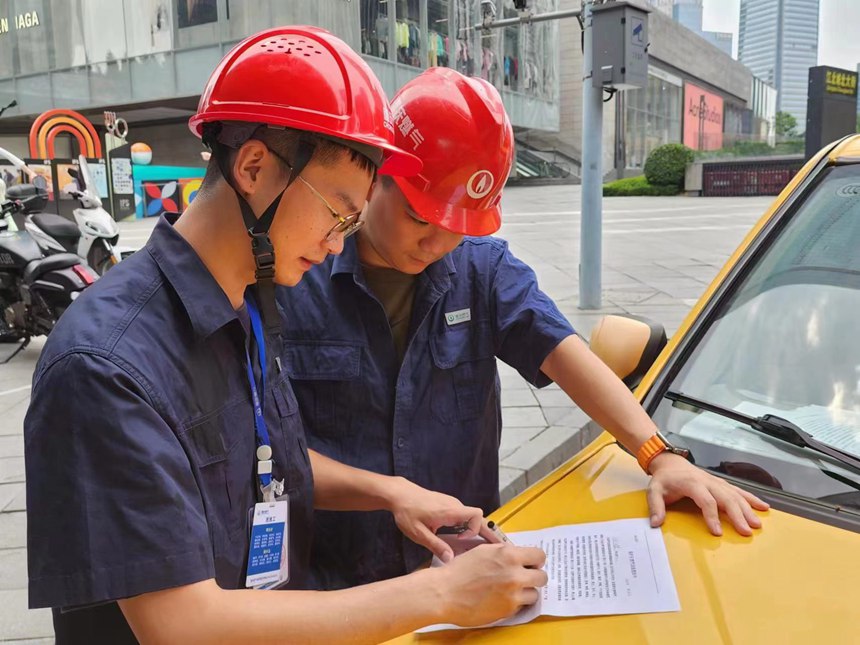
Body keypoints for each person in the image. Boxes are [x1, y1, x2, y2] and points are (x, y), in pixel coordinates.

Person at [24, 28, 546, 644]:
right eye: (338, 212)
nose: (338, 243)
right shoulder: (105, 366)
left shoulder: (249, 303)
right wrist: (439, 594)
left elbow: (270, 464)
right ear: (253, 167)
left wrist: (392, 493)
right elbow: (182, 625)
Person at [277, 67, 770, 590]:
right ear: (375, 177)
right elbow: (269, 450)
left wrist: (658, 455)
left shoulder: (481, 269)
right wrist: (389, 492)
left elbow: (563, 351)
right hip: (335, 585)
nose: (438, 244)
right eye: (421, 219)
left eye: (460, 225)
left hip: (467, 574)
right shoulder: (296, 275)